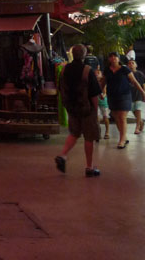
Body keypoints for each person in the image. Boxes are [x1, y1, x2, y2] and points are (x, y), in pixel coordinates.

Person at [54, 44, 102, 176]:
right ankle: (89, 167)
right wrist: (95, 110)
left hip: (72, 108)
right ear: (84, 55)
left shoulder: (64, 69)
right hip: (87, 109)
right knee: (89, 137)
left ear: (72, 54)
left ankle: (63, 155)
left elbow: (61, 88)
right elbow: (94, 94)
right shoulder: (87, 70)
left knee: (74, 133)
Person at [103, 52, 144, 148]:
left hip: (124, 95)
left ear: (119, 58)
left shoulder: (124, 69)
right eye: (111, 56)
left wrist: (143, 92)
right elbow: (103, 82)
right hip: (112, 96)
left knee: (122, 117)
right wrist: (100, 92)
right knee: (116, 117)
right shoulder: (107, 70)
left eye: (115, 56)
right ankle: (124, 136)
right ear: (109, 59)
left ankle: (121, 140)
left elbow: (134, 81)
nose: (113, 58)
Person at [128, 59, 145, 135]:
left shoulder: (140, 74)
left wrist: (143, 93)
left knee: (138, 110)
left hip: (138, 95)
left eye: (133, 63)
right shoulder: (127, 74)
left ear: (136, 65)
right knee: (134, 111)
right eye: (129, 63)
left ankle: (137, 127)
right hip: (130, 95)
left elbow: (143, 84)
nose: (131, 64)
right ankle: (141, 121)